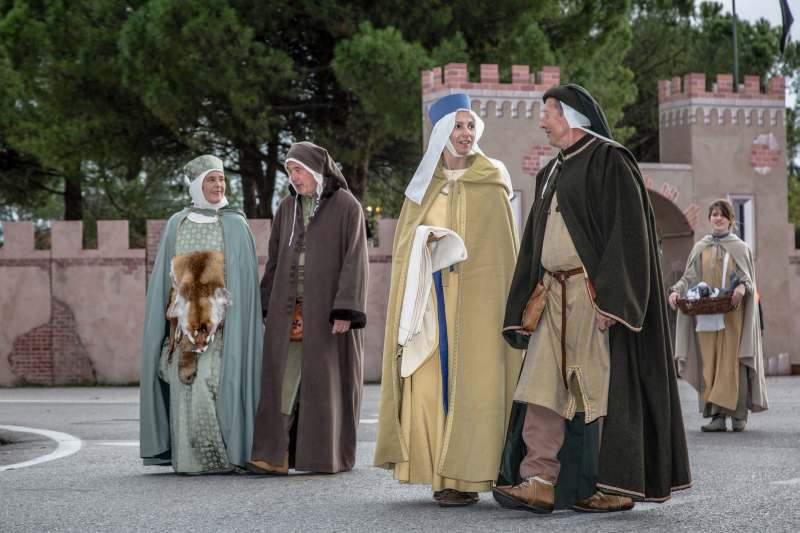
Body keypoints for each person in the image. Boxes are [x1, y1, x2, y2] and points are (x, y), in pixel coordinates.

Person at [495, 84, 691, 513]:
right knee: (540, 384)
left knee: (598, 389)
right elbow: (533, 241)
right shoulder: (550, 173)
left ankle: (613, 483)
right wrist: (525, 297)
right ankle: (540, 478)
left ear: (571, 116)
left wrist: (614, 301)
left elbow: (629, 234)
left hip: (592, 296)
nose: (542, 122)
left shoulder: (611, 161)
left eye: (548, 112)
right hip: (552, 294)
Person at [374, 93, 522, 507]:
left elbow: (504, 252)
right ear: (441, 132)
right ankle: (443, 477)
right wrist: (427, 242)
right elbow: (406, 248)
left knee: (479, 385)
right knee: (429, 386)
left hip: (480, 305)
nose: (466, 133)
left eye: (471, 125)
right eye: (458, 126)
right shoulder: (423, 186)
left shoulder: (493, 178)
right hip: (431, 304)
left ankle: (477, 472)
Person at [248, 141, 368, 475]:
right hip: (288, 310)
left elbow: (355, 260)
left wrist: (345, 309)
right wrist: (266, 303)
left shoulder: (347, 206)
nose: (294, 177)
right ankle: (274, 454)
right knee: (282, 377)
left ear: (316, 171)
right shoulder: (287, 207)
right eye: (290, 171)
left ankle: (325, 455)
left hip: (329, 312)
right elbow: (275, 259)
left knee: (324, 384)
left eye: (299, 170)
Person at [140, 154, 263, 474]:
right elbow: (164, 277)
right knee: (183, 384)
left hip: (224, 327)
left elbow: (244, 279)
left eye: (221, 179)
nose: (218, 185)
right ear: (196, 185)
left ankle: (220, 456)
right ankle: (189, 458)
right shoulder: (177, 223)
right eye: (211, 180)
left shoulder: (235, 223)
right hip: (183, 326)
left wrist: (228, 315)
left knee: (211, 382)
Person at [669, 199, 768, 432]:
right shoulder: (701, 247)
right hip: (706, 316)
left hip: (733, 317)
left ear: (730, 219)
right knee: (709, 364)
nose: (718, 218)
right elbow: (690, 277)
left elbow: (747, 279)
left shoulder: (740, 248)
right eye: (714, 214)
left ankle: (738, 416)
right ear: (709, 219)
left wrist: (741, 288)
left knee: (732, 364)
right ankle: (717, 417)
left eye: (722, 214)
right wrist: (676, 291)